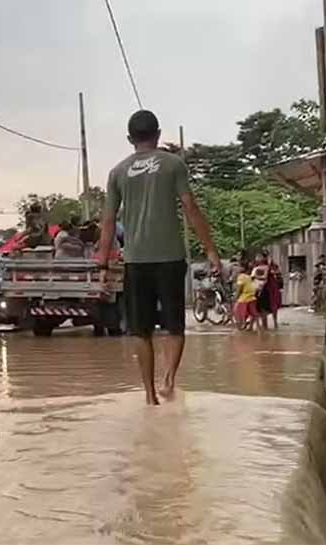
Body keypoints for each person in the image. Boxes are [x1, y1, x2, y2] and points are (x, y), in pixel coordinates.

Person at [98, 109, 221, 405]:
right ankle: (168, 380)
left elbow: (108, 221)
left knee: (141, 329)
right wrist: (211, 250)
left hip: (136, 261)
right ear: (158, 134)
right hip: (171, 258)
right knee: (174, 325)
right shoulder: (174, 165)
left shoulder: (117, 172)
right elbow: (191, 208)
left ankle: (149, 395)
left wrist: (102, 264)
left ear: (130, 139)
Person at [234, 263, 260, 330]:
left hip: (245, 297)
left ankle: (241, 325)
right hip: (252, 296)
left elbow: (239, 289)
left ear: (242, 268)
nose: (236, 268)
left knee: (237, 310)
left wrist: (236, 297)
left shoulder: (241, 276)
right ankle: (258, 327)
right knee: (254, 313)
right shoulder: (248, 276)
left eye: (238, 266)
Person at [252, 252, 271, 330]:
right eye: (257, 257)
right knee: (256, 308)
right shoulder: (255, 267)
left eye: (259, 257)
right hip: (255, 289)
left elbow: (265, 277)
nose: (258, 258)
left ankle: (264, 326)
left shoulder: (266, 267)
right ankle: (258, 326)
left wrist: (256, 276)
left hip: (263, 289)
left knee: (263, 309)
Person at [266, 256, 283, 329]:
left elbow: (279, 274)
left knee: (274, 306)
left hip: (274, 290)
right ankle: (271, 323)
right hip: (269, 289)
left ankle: (275, 322)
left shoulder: (274, 269)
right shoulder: (266, 268)